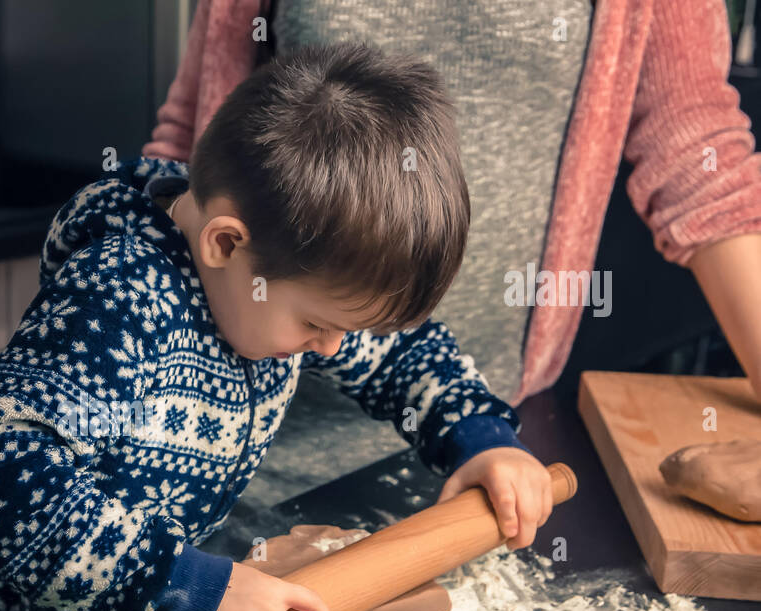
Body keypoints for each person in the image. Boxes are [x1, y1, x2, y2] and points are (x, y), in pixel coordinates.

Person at [0, 44, 553, 611]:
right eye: (318, 324)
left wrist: (480, 440)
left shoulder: (272, 270)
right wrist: (184, 586)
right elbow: (0, 482)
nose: (333, 346)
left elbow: (400, 353)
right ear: (225, 243)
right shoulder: (121, 299)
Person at [145, 0, 761, 407]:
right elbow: (192, 143)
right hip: (225, 418)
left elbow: (698, 152)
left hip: (472, 415)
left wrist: (479, 432)